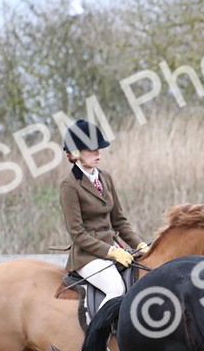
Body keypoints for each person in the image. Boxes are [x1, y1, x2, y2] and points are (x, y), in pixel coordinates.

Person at [59, 119, 148, 322]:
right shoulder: (69, 185)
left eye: (99, 148)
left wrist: (139, 244)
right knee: (116, 289)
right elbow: (77, 234)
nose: (98, 153)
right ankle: (94, 341)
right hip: (87, 256)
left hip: (114, 248)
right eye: (91, 150)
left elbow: (119, 221)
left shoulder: (105, 177)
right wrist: (111, 252)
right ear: (74, 154)